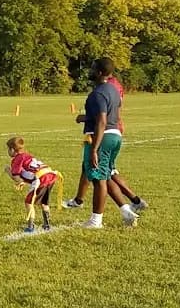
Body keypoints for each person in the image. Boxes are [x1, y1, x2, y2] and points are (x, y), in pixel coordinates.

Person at [63, 74, 148, 212]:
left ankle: (129, 206)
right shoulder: (113, 87)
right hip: (112, 131)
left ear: (101, 72)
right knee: (103, 172)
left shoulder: (105, 88)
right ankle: (80, 200)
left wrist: (94, 148)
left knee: (103, 176)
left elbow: (103, 117)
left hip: (104, 133)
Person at [78, 58, 139, 229]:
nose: (90, 71)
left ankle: (96, 220)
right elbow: (113, 114)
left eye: (92, 68)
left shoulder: (97, 93)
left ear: (98, 72)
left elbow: (102, 120)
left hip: (102, 137)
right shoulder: (113, 89)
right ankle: (127, 211)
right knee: (106, 175)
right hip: (115, 135)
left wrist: (94, 149)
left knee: (99, 179)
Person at [5, 137, 60, 232]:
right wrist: (23, 181)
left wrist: (8, 171)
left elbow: (16, 178)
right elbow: (28, 173)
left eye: (8, 149)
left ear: (12, 149)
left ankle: (30, 227)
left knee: (28, 203)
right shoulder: (27, 155)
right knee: (44, 202)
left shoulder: (17, 159)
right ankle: (47, 225)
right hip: (50, 174)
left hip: (40, 178)